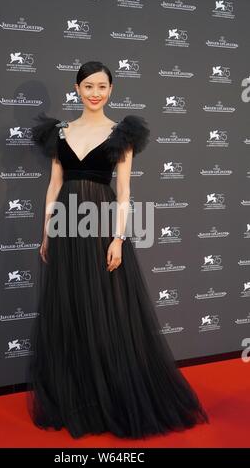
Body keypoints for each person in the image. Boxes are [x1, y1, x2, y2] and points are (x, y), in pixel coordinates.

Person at [27, 61, 209, 439]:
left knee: (106, 310)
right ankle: (77, 395)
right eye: (89, 86)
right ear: (77, 88)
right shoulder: (60, 133)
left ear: (111, 90)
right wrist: (46, 232)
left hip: (100, 226)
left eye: (103, 86)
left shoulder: (121, 133)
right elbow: (54, 183)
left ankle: (110, 395)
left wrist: (118, 238)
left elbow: (124, 192)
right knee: (71, 308)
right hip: (64, 226)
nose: (96, 92)